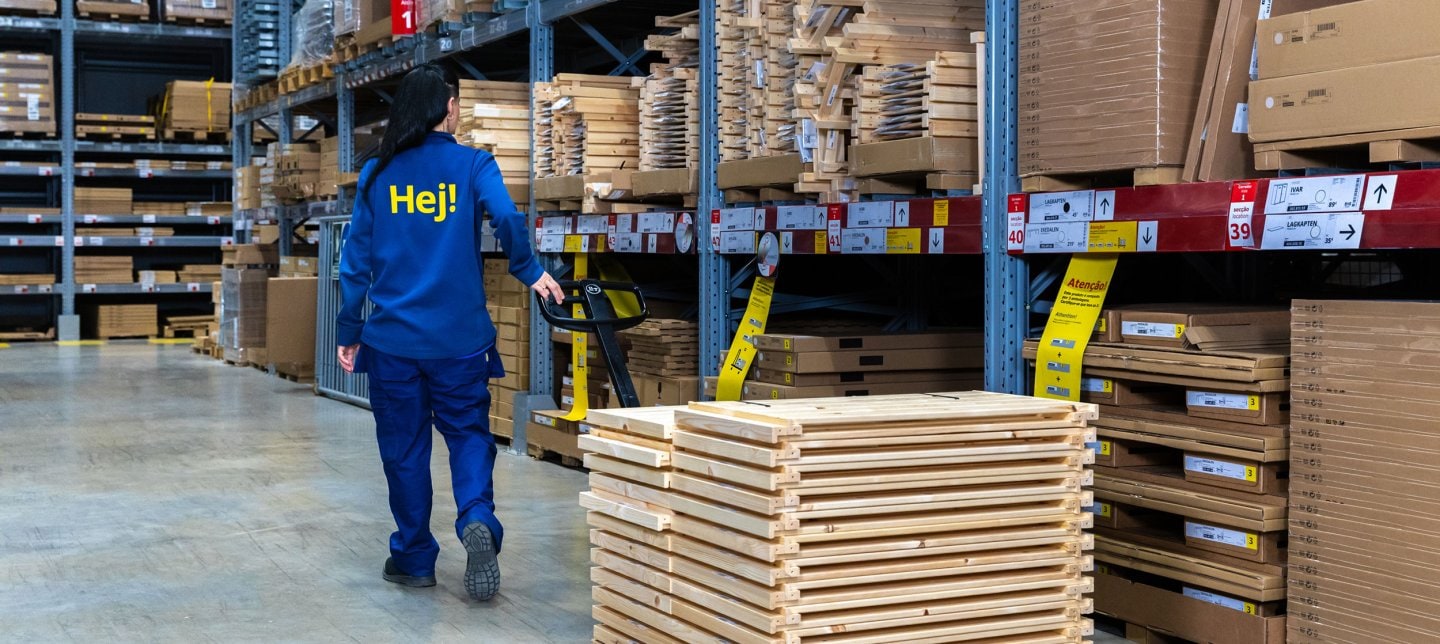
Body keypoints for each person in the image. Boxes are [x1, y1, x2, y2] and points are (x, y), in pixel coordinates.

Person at [335, 63, 564, 602]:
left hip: (391, 342)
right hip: (461, 340)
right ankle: (476, 519)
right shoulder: (473, 164)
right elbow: (507, 219)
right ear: (447, 109)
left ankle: (414, 558)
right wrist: (530, 271)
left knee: (404, 448)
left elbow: (355, 262)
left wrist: (350, 328)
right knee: (467, 435)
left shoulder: (377, 172)